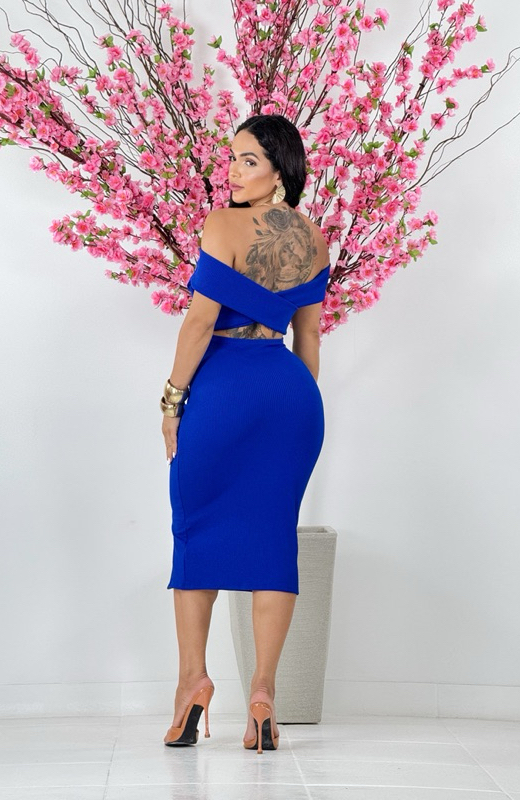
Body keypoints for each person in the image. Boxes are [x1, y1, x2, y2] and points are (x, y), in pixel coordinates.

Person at [159, 114, 330, 753]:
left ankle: (192, 685)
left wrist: (172, 400)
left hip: (223, 391)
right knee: (273, 540)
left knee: (195, 530)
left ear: (280, 170)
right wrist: (296, 407)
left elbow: (200, 323)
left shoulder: (221, 224)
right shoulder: (315, 239)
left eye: (248, 160)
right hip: (290, 397)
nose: (232, 170)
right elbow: (309, 338)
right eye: (231, 157)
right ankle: (263, 696)